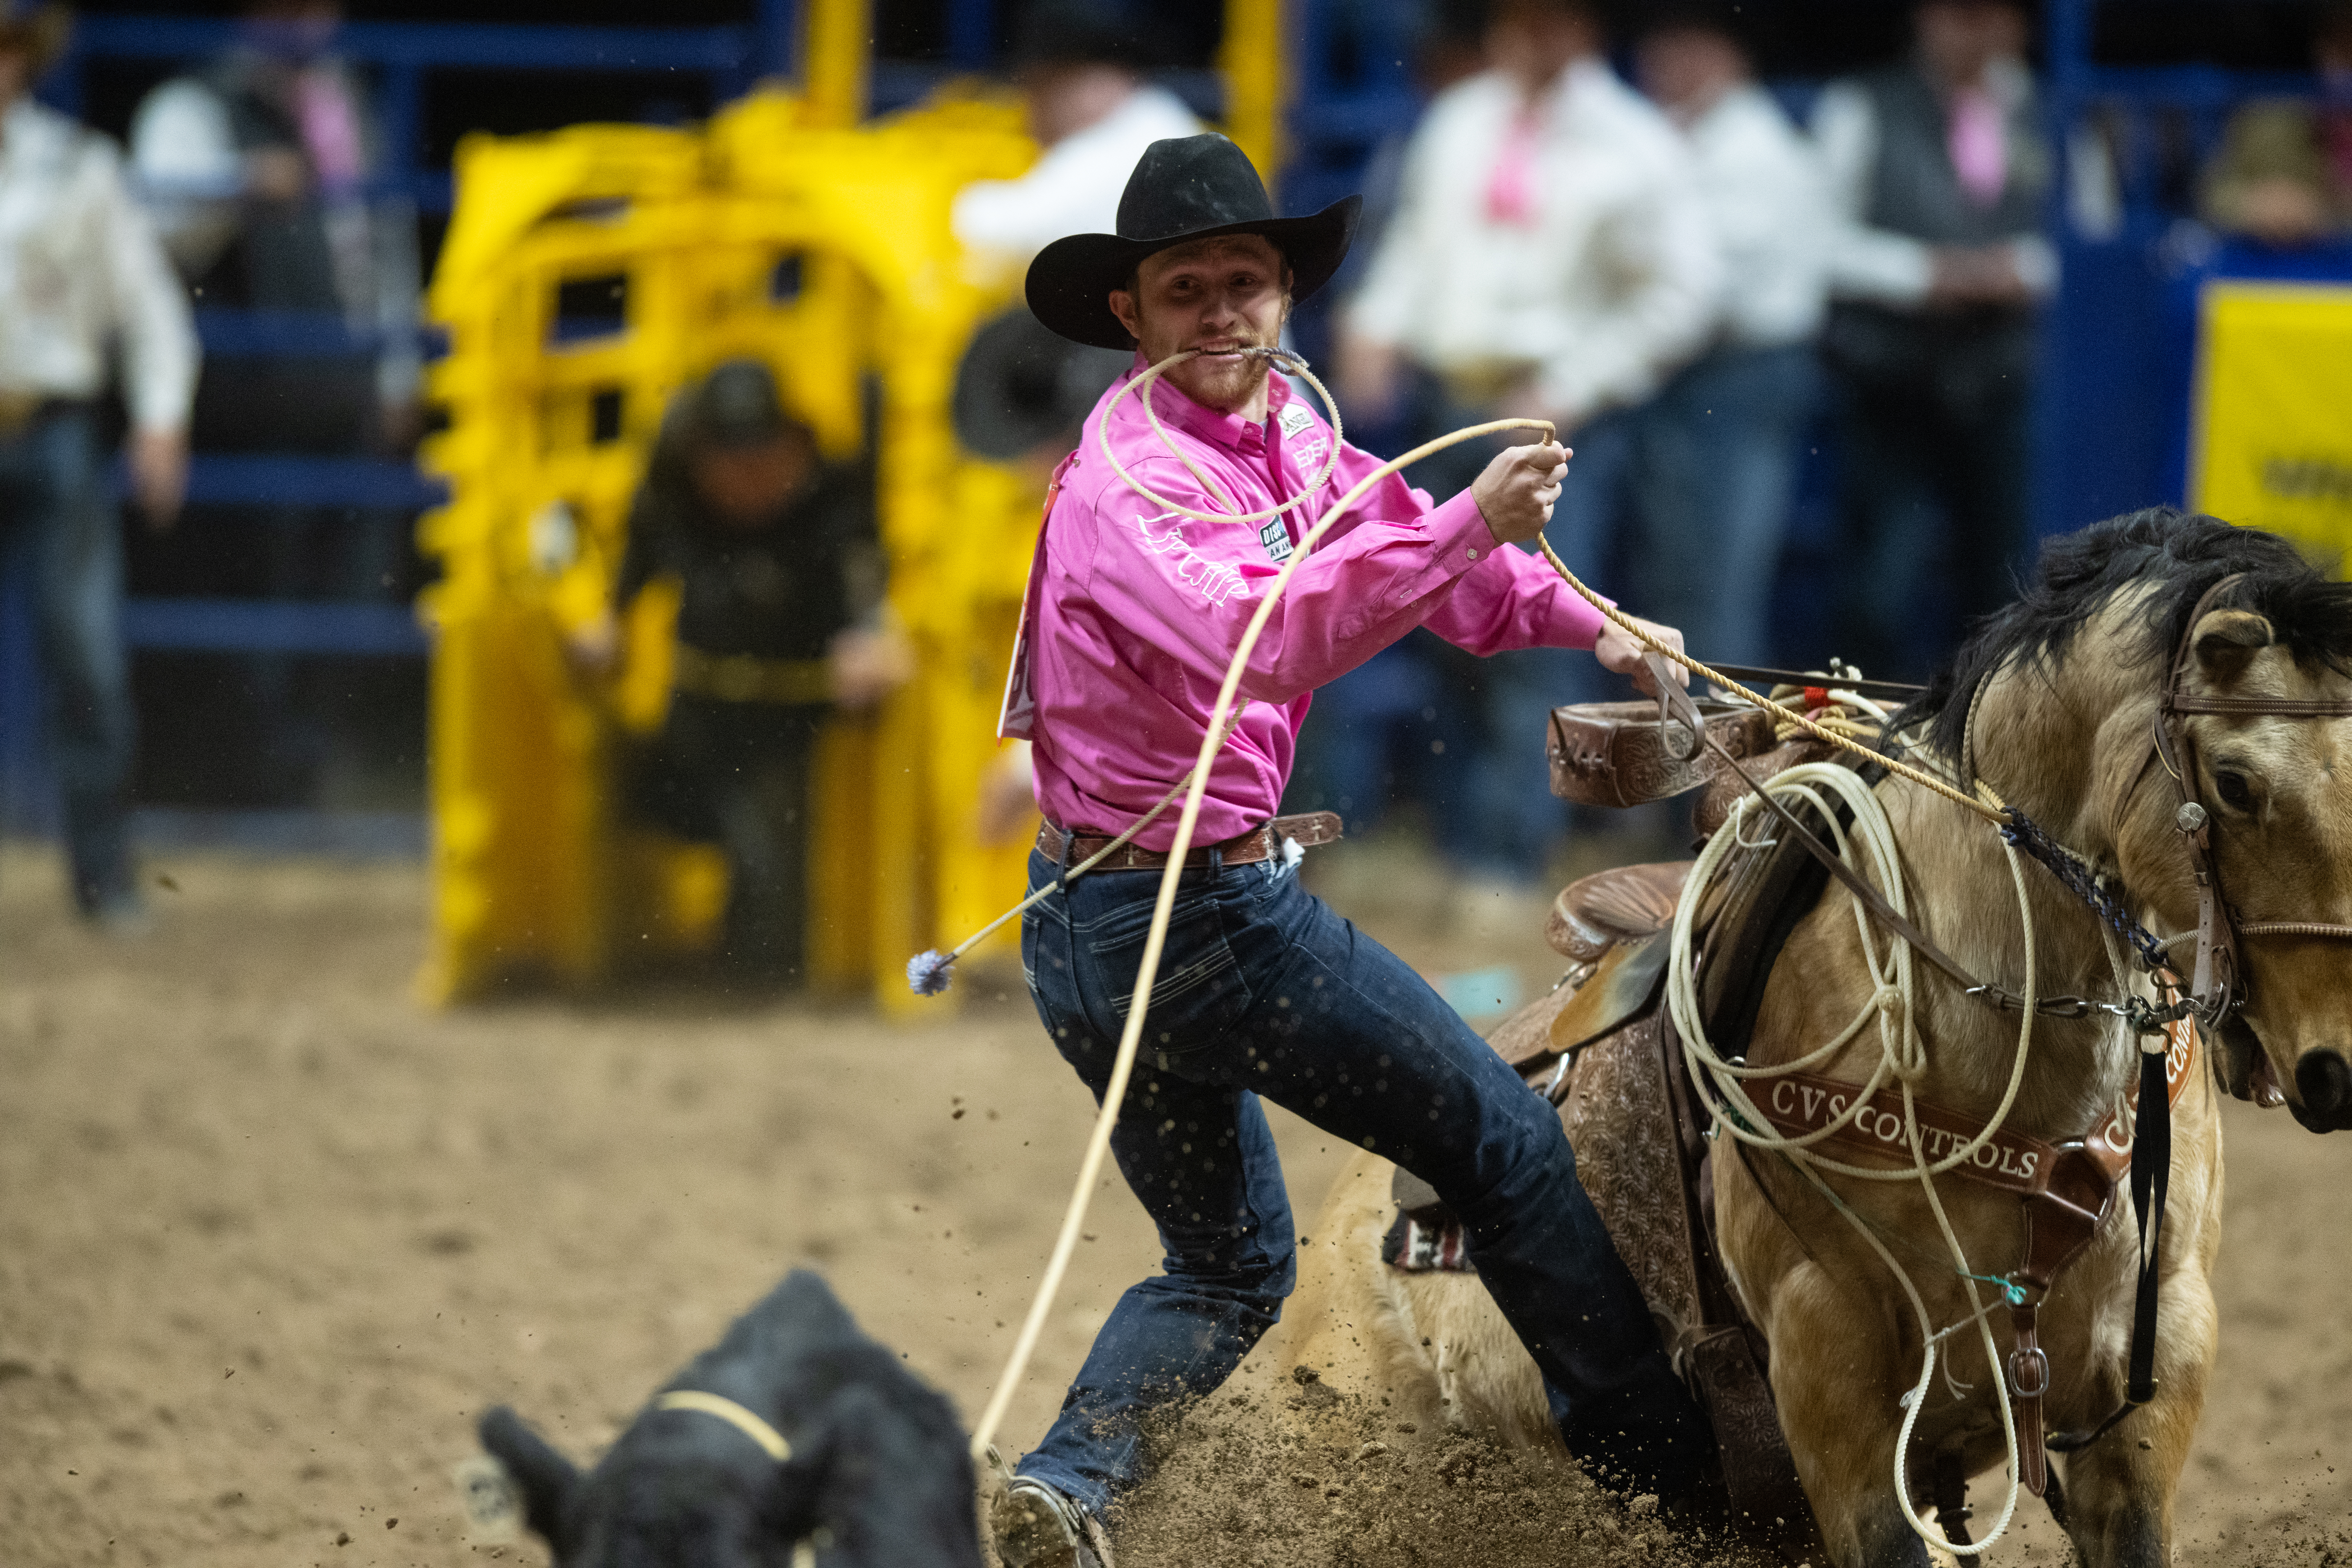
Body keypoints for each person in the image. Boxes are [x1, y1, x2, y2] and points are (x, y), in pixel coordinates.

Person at [989, 133, 1707, 1568]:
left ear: (1281, 298)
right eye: (1184, 287)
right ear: (1130, 314)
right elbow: (1285, 632)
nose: (1219, 310)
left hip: (1097, 918)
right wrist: (1465, 522)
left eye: (1242, 282)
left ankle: (1068, 1486)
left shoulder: (1293, 428)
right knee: (1499, 1139)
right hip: (1195, 920)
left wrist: (1596, 620)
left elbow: (1420, 560)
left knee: (1229, 1259)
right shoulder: (1130, 484)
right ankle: (1671, 1476)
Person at [1336, 0, 1719, 883]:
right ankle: (1454, 836)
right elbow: (1418, 247)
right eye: (1513, 19)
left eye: (1547, 21)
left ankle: (1509, 854)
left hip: (1550, 413)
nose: (1525, 38)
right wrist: (1378, 323)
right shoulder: (1463, 118)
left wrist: (1576, 386)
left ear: (1584, 30)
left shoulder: (1633, 143)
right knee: (1427, 609)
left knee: (1540, 623)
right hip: (1453, 398)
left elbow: (1679, 292)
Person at [567, 361, 908, 983]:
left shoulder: (832, 507)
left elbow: (867, 580)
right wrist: (604, 624)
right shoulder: (673, 507)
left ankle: (768, 955)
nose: (751, 481)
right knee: (655, 807)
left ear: (796, 449)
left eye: (766, 459)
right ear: (699, 461)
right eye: (731, 463)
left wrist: (870, 637)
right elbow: (629, 569)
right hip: (699, 715)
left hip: (798, 727)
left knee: (776, 846)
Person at [0, 0, 199, 926]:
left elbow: (150, 305)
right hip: (55, 430)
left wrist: (160, 420)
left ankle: (107, 877)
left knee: (86, 657)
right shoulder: (74, 167)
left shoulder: (81, 169)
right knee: (84, 651)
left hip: (56, 423)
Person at [1814, 0, 2053, 680]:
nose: (1969, 30)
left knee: (2006, 588)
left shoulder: (2050, 112)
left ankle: (1990, 759)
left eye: (1986, 14)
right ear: (1921, 19)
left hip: (2007, 377)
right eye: (1954, 13)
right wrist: (1923, 274)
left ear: (2013, 25)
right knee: (1875, 592)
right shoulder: (1863, 105)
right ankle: (1857, 755)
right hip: (1893, 376)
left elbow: (2088, 234)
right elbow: (1817, 239)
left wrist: (2020, 270)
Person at [1632, 2, 1827, 667]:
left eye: (1686, 46)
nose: (1665, 63)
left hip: (1737, 376)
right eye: (1661, 46)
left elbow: (1701, 294)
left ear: (1727, 57)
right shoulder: (1680, 136)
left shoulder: (1750, 146)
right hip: (1698, 376)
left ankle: (1718, 760)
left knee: (1710, 585)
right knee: (1681, 578)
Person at [950, 0, 1203, 276]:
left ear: (1091, 81)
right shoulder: (1162, 115)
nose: (1029, 108)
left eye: (1039, 86)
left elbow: (991, 230)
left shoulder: (1129, 142)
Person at [2200, 0, 2352, 246]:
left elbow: (2329, 213)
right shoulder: (2273, 120)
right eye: (2344, 47)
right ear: (2323, 50)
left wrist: (2320, 213)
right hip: (2277, 274)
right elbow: (2211, 194)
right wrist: (2251, 204)